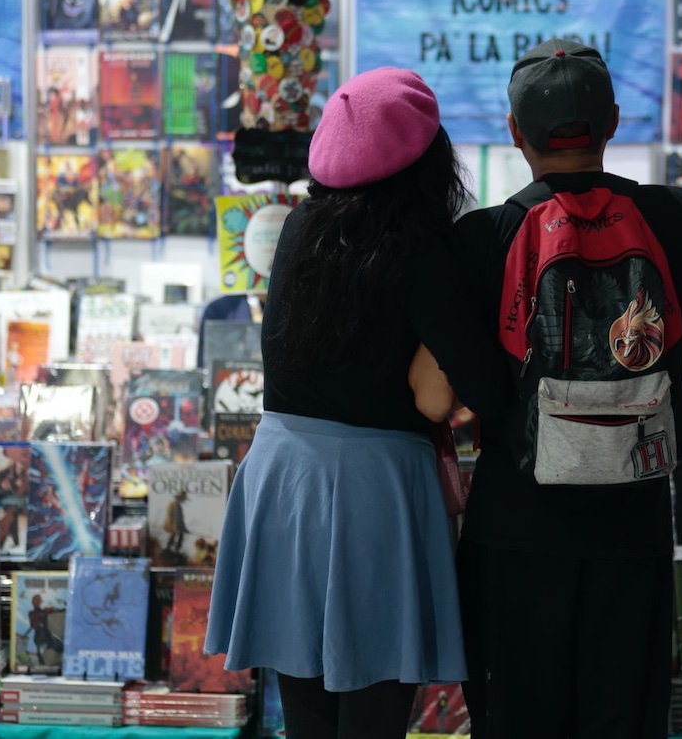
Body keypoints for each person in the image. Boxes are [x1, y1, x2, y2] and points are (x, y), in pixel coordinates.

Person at [452, 39, 682, 738]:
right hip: (634, 527)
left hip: (514, 531)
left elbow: (438, 395)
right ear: (613, 123)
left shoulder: (484, 236)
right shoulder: (672, 217)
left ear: (514, 131)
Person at [205, 67, 506, 739]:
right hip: (375, 488)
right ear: (429, 158)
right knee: (372, 716)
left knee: (306, 716)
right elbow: (485, 387)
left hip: (280, 477)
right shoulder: (420, 246)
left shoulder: (299, 227)